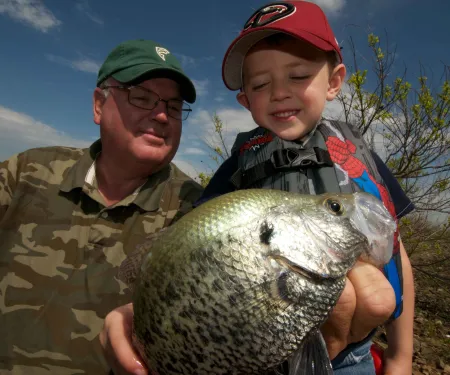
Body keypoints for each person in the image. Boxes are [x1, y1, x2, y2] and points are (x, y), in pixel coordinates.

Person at [195, 1, 415, 375]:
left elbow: (397, 252)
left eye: (298, 76)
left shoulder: (360, 157)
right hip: (258, 356)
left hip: (352, 358)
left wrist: (399, 357)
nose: (280, 92)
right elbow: (198, 248)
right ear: (245, 101)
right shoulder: (235, 169)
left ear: (334, 82)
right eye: (261, 84)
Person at [0, 39, 204, 374]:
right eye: (141, 97)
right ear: (98, 105)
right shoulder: (26, 172)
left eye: (175, 105)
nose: (163, 114)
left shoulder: (194, 212)